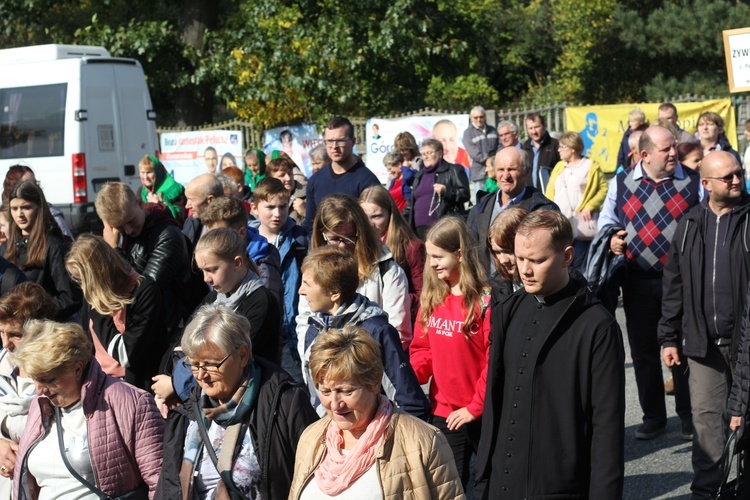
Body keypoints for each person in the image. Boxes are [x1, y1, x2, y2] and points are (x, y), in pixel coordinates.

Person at [477, 210, 625, 498]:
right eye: (520, 259)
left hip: (560, 488)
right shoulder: (509, 310)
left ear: (567, 256)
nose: (525, 270)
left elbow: (607, 429)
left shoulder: (598, 326)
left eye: (538, 260)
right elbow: (495, 405)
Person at [599, 125, 702, 440]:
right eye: (666, 149)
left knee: (682, 347)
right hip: (638, 281)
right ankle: (654, 417)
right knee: (643, 351)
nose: (674, 153)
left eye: (674, 147)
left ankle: (687, 416)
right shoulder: (622, 181)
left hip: (682, 282)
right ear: (644, 155)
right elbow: (607, 219)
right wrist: (614, 238)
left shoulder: (692, 180)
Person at [659, 151, 750, 498]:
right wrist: (668, 336)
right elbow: (674, 284)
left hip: (746, 342)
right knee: (707, 425)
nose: (736, 180)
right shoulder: (690, 224)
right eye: (727, 176)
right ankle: (706, 492)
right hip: (703, 346)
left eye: (738, 173)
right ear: (707, 183)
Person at [156, 305, 317, 500]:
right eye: (194, 364)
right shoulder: (189, 409)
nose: (201, 375)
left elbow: (315, 476)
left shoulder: (285, 403)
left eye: (210, 364)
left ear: (242, 355)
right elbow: (168, 486)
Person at [288, 325, 465, 499]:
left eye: (346, 391)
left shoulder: (423, 442)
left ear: (374, 384)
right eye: (325, 391)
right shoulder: (310, 438)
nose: (335, 404)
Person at [13, 319, 164, 499]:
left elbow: (160, 482)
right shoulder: (41, 406)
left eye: (47, 379)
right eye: (35, 380)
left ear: (77, 369)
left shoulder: (131, 402)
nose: (40, 390)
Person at [297, 247, 430, 420]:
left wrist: (390, 442)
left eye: (307, 284)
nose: (301, 290)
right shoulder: (313, 329)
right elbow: (316, 397)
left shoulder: (376, 331)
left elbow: (410, 402)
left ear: (334, 293)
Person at [409, 216, 491, 494]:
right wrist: (407, 376)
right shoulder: (432, 298)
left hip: (481, 412)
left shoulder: (483, 300)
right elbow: (423, 351)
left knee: (487, 484)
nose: (431, 263)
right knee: (448, 489)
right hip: (444, 411)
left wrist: (474, 407)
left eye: (438, 256)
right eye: (429, 256)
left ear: (459, 253)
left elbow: (492, 362)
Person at [301, 194, 412, 349]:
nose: (341, 246)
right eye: (334, 239)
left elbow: (397, 333)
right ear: (321, 236)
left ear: (361, 234)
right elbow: (305, 322)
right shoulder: (312, 271)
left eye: (348, 238)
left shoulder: (388, 271)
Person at [95, 182, 197, 340]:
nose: (128, 230)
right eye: (120, 227)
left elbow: (146, 292)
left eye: (131, 221)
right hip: (148, 329)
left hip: (169, 331)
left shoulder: (168, 235)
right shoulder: (128, 235)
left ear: (140, 203)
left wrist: (114, 251)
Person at [66, 234, 167, 391]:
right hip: (98, 385)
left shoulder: (144, 291)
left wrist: (100, 310)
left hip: (131, 389)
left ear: (99, 273)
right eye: (79, 281)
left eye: (84, 279)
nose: (83, 287)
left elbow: (125, 355)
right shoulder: (93, 294)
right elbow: (87, 346)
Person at [249, 178, 308, 384]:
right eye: (270, 207)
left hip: (294, 329)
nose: (277, 214)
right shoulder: (247, 240)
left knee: (296, 386)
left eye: (282, 207)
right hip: (261, 330)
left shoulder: (301, 239)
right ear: (254, 208)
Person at [0, 283, 55, 498]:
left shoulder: (62, 379)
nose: (6, 344)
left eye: (15, 335)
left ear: (40, 331)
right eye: (1, 332)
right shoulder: (2, 365)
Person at [467, 147, 558, 275]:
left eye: (512, 169)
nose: (505, 176)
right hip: (488, 289)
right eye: (500, 169)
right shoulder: (481, 208)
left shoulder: (543, 210)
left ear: (526, 172)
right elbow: (470, 251)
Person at [0, 180, 81, 321]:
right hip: (10, 332)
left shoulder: (53, 245)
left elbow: (70, 297)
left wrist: (35, 313)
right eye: (14, 208)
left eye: (25, 207)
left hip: (43, 331)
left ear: (39, 207)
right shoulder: (5, 247)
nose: (19, 214)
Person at [199, 196, 284, 308]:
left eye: (220, 235)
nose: (212, 242)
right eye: (210, 234)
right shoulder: (221, 256)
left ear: (242, 232)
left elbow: (264, 309)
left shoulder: (263, 266)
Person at [360, 185, 424, 324]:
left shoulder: (411, 247)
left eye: (376, 216)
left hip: (399, 321)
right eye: (364, 217)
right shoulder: (354, 245)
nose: (370, 223)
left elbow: (422, 295)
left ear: (390, 215)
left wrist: (394, 295)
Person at [303, 117, 380, 231]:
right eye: (329, 141)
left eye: (340, 140)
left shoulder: (367, 181)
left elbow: (375, 226)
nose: (334, 146)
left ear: (353, 141)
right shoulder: (315, 181)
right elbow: (309, 225)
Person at [545, 131, 608, 270]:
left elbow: (603, 188)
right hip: (561, 222)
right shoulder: (559, 166)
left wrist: (590, 206)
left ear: (572, 148)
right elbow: (550, 192)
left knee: (578, 264)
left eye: (562, 146)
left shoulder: (590, 165)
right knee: (562, 263)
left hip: (582, 224)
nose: (558, 150)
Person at [406, 138, 470, 239]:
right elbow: (411, 203)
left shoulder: (453, 170)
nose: (426, 156)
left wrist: (446, 191)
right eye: (423, 154)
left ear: (440, 153)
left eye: (429, 152)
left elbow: (465, 194)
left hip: (442, 226)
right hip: (418, 229)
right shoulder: (419, 175)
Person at [2, 165, 74, 240]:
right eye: (28, 184)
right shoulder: (3, 213)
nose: (19, 214)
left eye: (36, 183)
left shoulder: (51, 213)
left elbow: (68, 245)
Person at [486, 205, 527, 298]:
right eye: (497, 252)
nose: (503, 260)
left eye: (508, 251)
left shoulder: (549, 283)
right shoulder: (494, 287)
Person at [136, 154, 187, 225]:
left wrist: (160, 205)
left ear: (158, 171)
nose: (145, 176)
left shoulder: (175, 189)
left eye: (149, 172)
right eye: (142, 172)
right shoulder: (141, 191)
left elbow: (182, 216)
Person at [463, 106, 499, 204]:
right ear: (471, 118)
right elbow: (473, 152)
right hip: (479, 173)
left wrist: (495, 161)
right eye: (476, 117)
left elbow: (499, 146)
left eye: (481, 116)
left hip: (494, 171)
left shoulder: (493, 130)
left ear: (485, 117)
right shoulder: (468, 133)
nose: (479, 119)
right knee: (481, 202)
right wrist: (488, 160)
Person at [182, 173, 224, 249]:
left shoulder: (234, 224)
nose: (187, 206)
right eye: (187, 199)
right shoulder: (190, 223)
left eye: (192, 200)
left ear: (211, 200)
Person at [522, 112, 560, 192]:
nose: (534, 132)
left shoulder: (555, 145)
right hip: (530, 196)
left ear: (544, 126)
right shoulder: (525, 148)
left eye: (536, 127)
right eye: (530, 128)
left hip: (551, 194)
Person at [265, 155, 307, 224]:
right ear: (271, 179)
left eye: (290, 174)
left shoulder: (308, 195)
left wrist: (306, 213)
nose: (288, 178)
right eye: (282, 175)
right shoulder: (264, 199)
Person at [616, 107, 649, 173]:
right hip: (627, 165)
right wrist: (619, 166)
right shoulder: (627, 134)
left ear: (641, 121)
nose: (630, 123)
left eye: (633, 121)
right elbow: (621, 153)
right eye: (629, 121)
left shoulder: (647, 133)